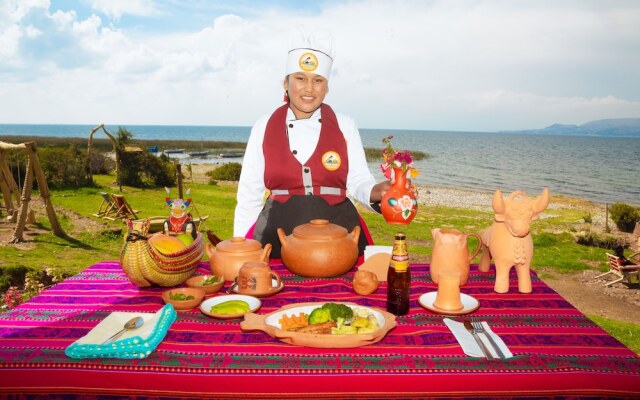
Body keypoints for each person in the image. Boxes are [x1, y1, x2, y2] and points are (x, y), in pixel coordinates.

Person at [234, 27, 394, 259]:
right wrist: (240, 247)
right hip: (277, 239)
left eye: (318, 80)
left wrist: (375, 191)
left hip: (341, 237)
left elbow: (357, 180)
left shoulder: (345, 124)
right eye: (300, 78)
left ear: (327, 87)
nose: (309, 88)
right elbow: (249, 194)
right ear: (285, 83)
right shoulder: (263, 127)